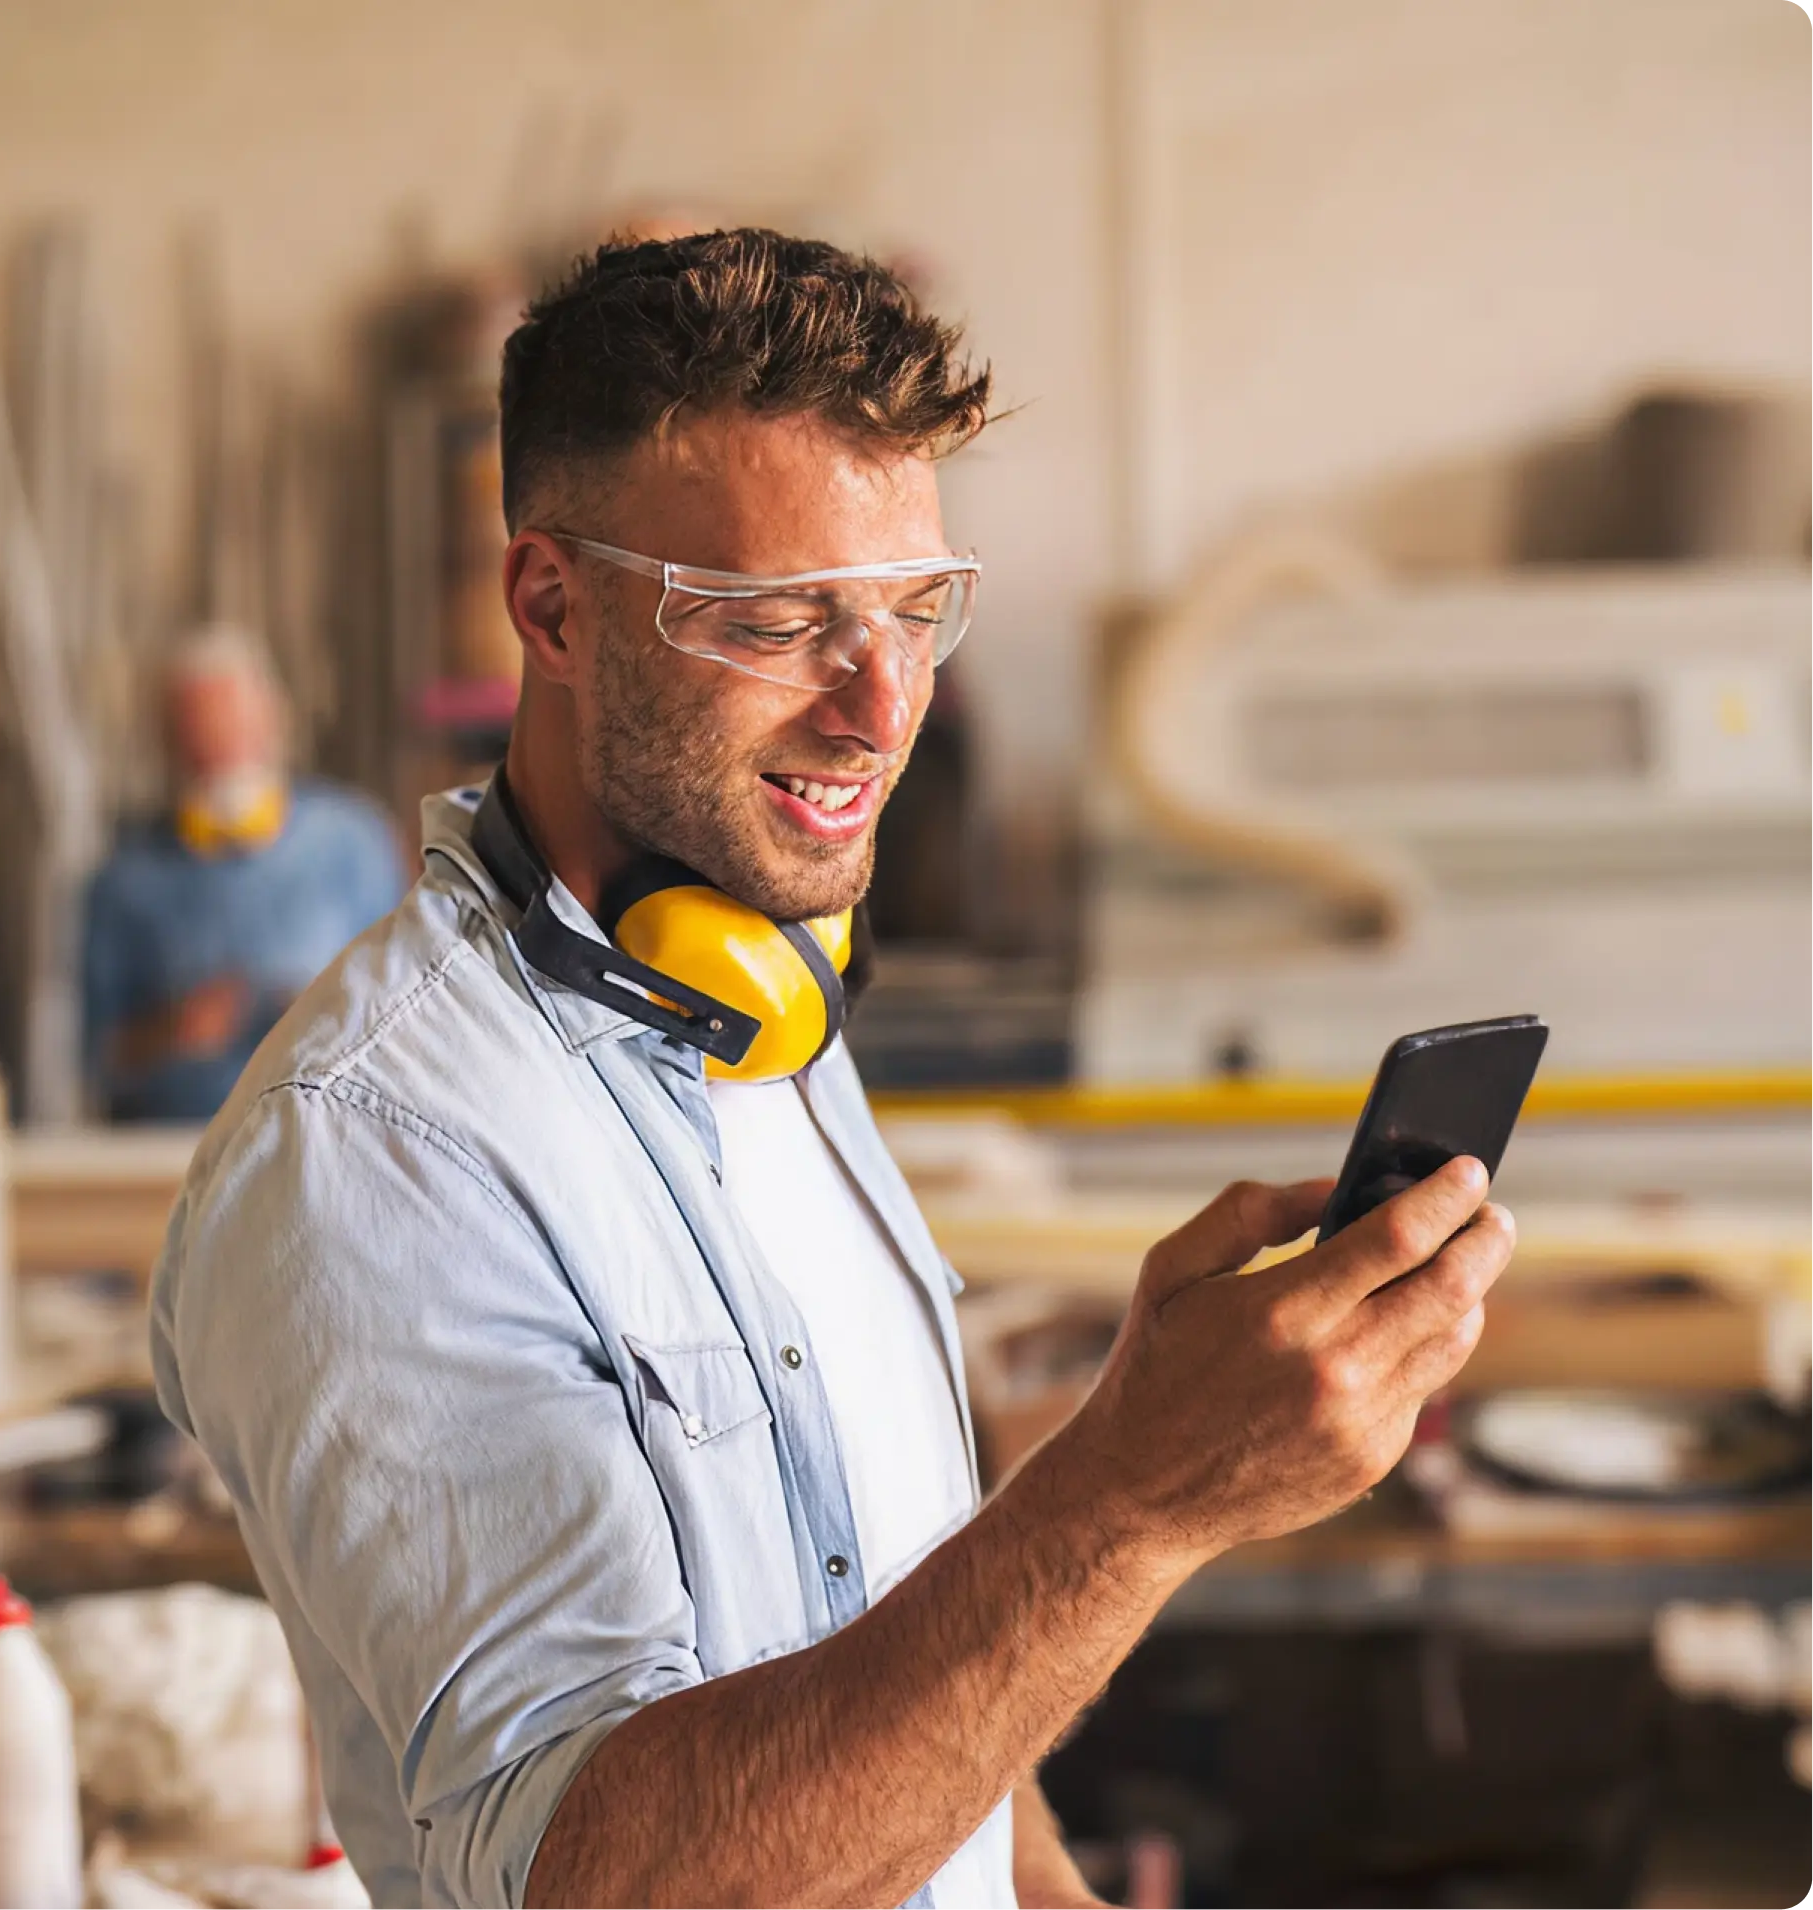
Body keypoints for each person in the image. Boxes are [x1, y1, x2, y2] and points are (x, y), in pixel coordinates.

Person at [149, 232, 1514, 1910]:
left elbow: (914, 1669)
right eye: (781, 620)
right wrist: (1127, 1503)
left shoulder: (758, 1005)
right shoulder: (375, 1151)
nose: (881, 710)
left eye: (914, 610)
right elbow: (604, 1888)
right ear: (551, 606)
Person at [82, 625, 408, 1122]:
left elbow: (407, 1008)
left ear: (272, 726)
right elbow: (95, 1058)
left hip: (326, 1139)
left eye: (230, 741)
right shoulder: (127, 881)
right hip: (174, 1150)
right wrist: (174, 1029)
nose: (218, 762)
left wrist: (315, 1011)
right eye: (199, 750)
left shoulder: (351, 846)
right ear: (167, 750)